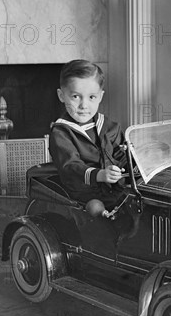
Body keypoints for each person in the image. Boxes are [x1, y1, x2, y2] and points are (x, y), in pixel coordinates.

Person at [49, 59, 127, 208]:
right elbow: (70, 166)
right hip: (83, 196)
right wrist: (99, 174)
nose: (84, 105)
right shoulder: (61, 132)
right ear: (61, 96)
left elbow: (121, 155)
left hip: (115, 190)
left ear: (100, 97)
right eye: (75, 97)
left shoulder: (109, 126)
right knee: (97, 208)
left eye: (91, 97)